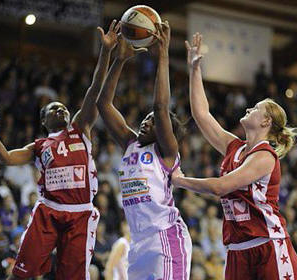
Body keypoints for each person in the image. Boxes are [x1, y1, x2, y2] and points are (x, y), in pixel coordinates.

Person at [0, 20, 121, 280]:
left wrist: (106, 51)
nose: (61, 110)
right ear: (44, 121)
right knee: (20, 273)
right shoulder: (39, 145)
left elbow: (94, 91)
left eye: (63, 108)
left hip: (80, 213)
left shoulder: (81, 128)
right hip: (48, 211)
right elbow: (6, 158)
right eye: (54, 108)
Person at [172, 32, 297, 279]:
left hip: (268, 247)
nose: (249, 109)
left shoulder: (264, 157)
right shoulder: (234, 147)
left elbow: (221, 187)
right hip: (237, 249)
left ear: (265, 121)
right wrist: (195, 69)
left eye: (255, 108)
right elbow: (201, 115)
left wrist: (179, 180)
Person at [97, 21, 192, 280]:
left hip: (165, 238)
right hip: (138, 243)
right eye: (146, 117)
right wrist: (119, 60)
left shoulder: (167, 151)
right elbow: (103, 104)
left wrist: (163, 55)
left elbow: (161, 107)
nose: (146, 120)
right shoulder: (130, 143)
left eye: (152, 121)